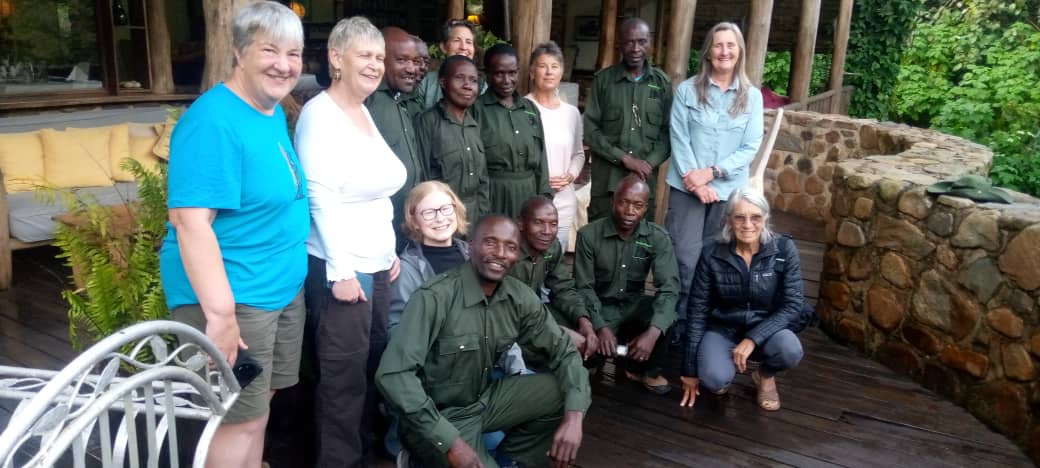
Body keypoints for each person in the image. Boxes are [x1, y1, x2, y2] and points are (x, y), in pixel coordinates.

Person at [159, 2, 307, 467]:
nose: (284, 65)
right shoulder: (213, 121)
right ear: (239, 52)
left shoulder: (268, 111)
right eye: (270, 50)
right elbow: (189, 221)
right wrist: (221, 316)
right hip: (236, 298)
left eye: (294, 53)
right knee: (234, 417)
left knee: (257, 408)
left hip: (277, 289)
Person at [376, 215, 590, 468]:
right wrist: (451, 443)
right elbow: (393, 375)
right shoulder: (435, 297)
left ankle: (512, 461)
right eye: (490, 243)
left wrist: (574, 417)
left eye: (510, 247)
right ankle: (417, 460)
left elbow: (565, 352)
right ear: (470, 246)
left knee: (566, 391)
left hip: (483, 402)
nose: (500, 253)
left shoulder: (519, 297)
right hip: (436, 421)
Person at [294, 16, 405, 467]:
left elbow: (374, 190)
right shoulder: (320, 115)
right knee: (342, 379)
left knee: (368, 367)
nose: (375, 64)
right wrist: (340, 272)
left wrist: (389, 252)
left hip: (375, 264)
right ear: (337, 58)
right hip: (342, 267)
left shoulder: (362, 110)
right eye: (365, 55)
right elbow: (320, 196)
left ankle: (361, 454)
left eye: (379, 56)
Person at [386, 181, 524, 460]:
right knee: (485, 446)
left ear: (457, 210)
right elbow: (397, 333)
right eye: (428, 212)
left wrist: (517, 368)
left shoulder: (473, 255)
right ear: (413, 219)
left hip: (485, 370)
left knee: (534, 412)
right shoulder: (408, 269)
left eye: (446, 208)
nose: (440, 218)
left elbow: (499, 317)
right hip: (440, 382)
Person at [667, 22, 764, 333]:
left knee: (715, 257)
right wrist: (695, 181)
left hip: (727, 191)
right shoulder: (687, 90)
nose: (724, 51)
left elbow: (750, 146)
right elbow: (679, 137)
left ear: (739, 52)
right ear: (708, 51)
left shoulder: (752, 97)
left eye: (730, 45)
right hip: (686, 187)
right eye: (718, 45)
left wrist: (711, 174)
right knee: (684, 254)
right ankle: (680, 318)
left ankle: (704, 319)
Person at [680, 188, 806, 412]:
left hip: (766, 327)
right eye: (739, 217)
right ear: (728, 220)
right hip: (723, 328)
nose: (748, 225)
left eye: (755, 217)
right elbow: (697, 311)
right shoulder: (711, 253)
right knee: (714, 380)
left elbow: (793, 305)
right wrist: (689, 371)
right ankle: (723, 368)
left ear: (765, 218)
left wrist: (752, 339)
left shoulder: (784, 249)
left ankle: (765, 375)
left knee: (790, 350)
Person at [574, 175, 680, 395]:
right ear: (613, 201)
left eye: (638, 205)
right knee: (588, 354)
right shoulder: (589, 235)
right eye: (624, 202)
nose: (630, 211)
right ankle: (605, 359)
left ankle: (645, 370)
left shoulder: (657, 237)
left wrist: (652, 333)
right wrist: (600, 327)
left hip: (633, 305)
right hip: (600, 308)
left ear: (646, 208)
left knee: (666, 315)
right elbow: (583, 287)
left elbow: (669, 288)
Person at [583, 17, 673, 220]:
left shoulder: (662, 84)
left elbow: (667, 133)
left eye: (641, 41)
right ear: (620, 44)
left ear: (650, 43)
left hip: (644, 181)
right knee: (601, 233)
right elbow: (590, 130)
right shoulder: (603, 81)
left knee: (641, 236)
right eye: (629, 42)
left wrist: (647, 164)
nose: (636, 48)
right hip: (607, 182)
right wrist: (625, 159)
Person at [511, 196, 597, 357]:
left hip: (536, 313)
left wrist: (584, 321)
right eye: (538, 223)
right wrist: (557, 332)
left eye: (553, 224)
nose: (547, 231)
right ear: (521, 223)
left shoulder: (552, 247)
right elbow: (505, 309)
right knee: (561, 347)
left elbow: (563, 288)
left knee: (585, 335)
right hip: (510, 321)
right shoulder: (507, 252)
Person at [365, 26, 425, 253]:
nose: (412, 69)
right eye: (401, 60)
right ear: (381, 59)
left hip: (406, 224)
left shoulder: (398, 100)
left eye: (415, 61)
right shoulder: (367, 102)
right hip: (379, 231)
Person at [474, 43, 551, 218]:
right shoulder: (477, 110)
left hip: (529, 193)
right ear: (487, 75)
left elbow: (542, 158)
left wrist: (544, 197)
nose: (507, 80)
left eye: (512, 73)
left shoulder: (529, 109)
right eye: (499, 74)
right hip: (494, 194)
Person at [415, 55, 490, 221]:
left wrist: (482, 214)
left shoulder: (473, 124)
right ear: (443, 82)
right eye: (460, 78)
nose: (467, 86)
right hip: (442, 217)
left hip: (474, 216)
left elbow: (483, 179)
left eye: (473, 80)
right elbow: (422, 177)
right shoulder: (428, 122)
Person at [526, 41, 586, 248]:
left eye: (554, 66)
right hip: (532, 200)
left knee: (555, 258)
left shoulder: (571, 113)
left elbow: (578, 154)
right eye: (542, 66)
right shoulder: (522, 109)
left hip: (563, 201)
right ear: (532, 72)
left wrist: (570, 175)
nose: (549, 72)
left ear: (561, 72)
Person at [417, 19, 480, 110]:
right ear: (443, 47)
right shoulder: (425, 82)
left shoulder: (482, 86)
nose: (463, 47)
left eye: (469, 42)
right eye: (457, 40)